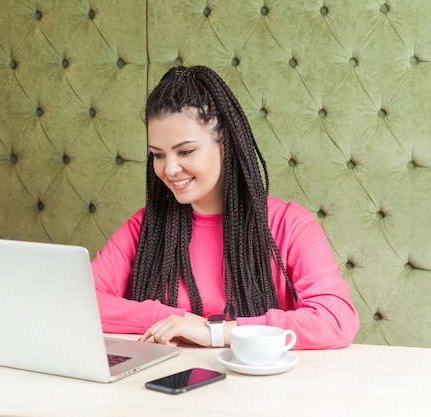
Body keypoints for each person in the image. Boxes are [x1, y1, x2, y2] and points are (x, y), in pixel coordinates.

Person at [91, 65, 360, 350]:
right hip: (168, 388)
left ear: (225, 144)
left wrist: (215, 332)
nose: (169, 169)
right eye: (158, 155)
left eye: (185, 151)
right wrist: (172, 318)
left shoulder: (288, 224)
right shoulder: (145, 227)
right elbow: (80, 301)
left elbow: (336, 319)